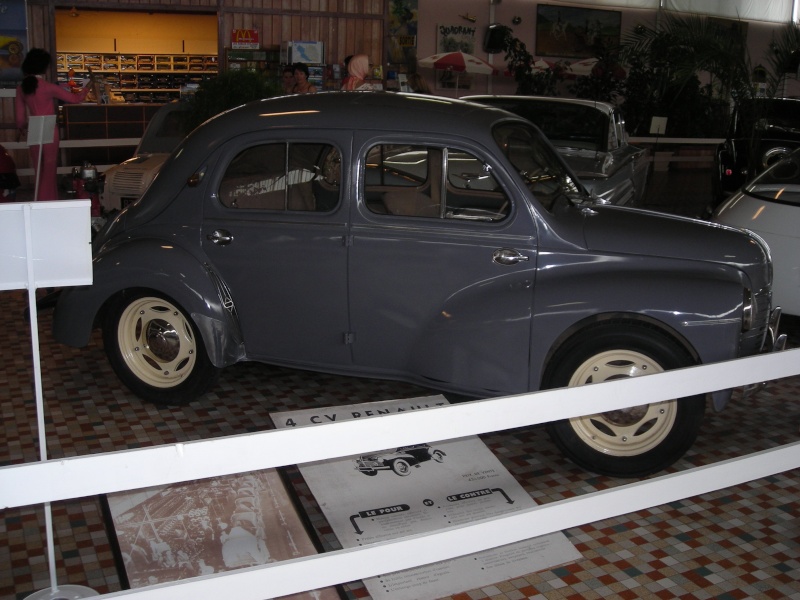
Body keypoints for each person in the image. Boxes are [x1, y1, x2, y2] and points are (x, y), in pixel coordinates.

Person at [15, 48, 90, 201]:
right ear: (43, 68)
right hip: (49, 128)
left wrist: (21, 128)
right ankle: (48, 200)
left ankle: (38, 199)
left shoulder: (21, 88)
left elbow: (20, 119)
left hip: (34, 128)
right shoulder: (48, 87)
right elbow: (75, 99)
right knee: (49, 168)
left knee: (39, 168)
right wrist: (88, 87)